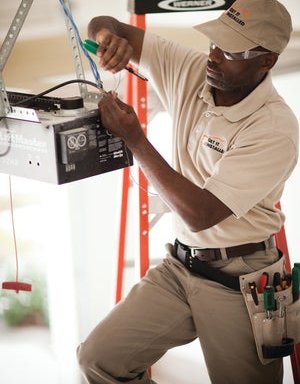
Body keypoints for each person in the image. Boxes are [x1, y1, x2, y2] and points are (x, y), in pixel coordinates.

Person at [77, 0, 299, 383]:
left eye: (230, 50)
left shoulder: (274, 128)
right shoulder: (192, 69)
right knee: (99, 358)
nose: (213, 56)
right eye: (214, 41)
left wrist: (135, 139)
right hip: (181, 266)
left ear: (267, 61)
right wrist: (107, 38)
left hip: (241, 280)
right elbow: (105, 22)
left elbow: (200, 213)